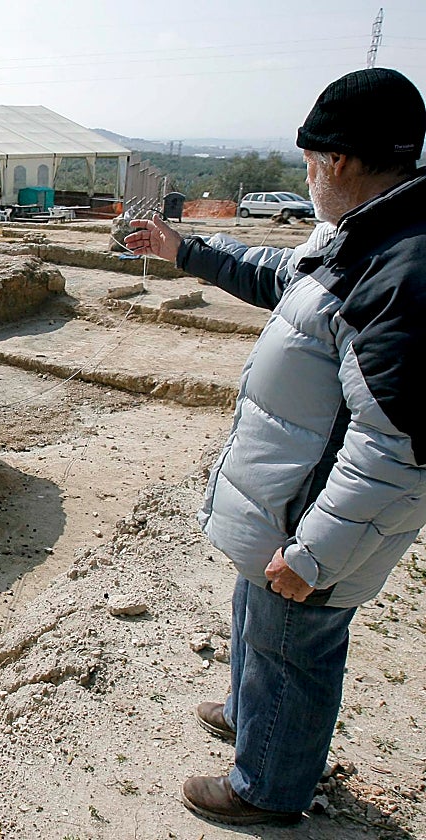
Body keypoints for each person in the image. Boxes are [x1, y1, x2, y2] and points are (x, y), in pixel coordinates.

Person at [124, 67, 426, 826]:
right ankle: (247, 710)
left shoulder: (400, 271)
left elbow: (395, 447)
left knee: (297, 646)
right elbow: (278, 273)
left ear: (340, 163)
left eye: (307, 162)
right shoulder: (367, 236)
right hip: (286, 505)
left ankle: (267, 787)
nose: (306, 176)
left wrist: (315, 552)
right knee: (262, 617)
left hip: (313, 519)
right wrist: (183, 249)